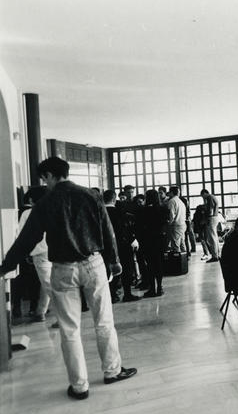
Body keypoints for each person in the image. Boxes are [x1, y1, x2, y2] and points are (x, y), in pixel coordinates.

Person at [0, 157, 137, 400]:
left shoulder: (45, 203)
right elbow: (107, 231)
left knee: (69, 329)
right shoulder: (91, 195)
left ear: (50, 175)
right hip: (93, 263)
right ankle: (112, 371)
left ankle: (79, 386)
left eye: (44, 178)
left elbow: (26, 240)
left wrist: (5, 267)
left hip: (63, 269)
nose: (45, 183)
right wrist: (114, 260)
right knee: (104, 321)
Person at [16, 186, 56, 324]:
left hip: (40, 252)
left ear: (32, 200)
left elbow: (22, 235)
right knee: (47, 283)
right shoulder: (53, 210)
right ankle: (41, 312)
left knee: (47, 284)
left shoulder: (27, 213)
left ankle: (63, 316)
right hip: (55, 250)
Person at [103, 190, 141, 303]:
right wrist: (132, 240)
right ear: (114, 199)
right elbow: (123, 229)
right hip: (122, 245)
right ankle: (127, 294)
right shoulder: (118, 212)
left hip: (105, 246)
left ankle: (112, 294)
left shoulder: (99, 213)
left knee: (109, 270)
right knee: (126, 269)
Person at [137, 189, 168, 298]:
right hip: (160, 239)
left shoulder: (143, 210)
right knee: (159, 264)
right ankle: (159, 287)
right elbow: (165, 223)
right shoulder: (163, 209)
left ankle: (152, 288)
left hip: (148, 240)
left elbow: (140, 227)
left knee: (150, 265)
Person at [200, 189, 221, 262]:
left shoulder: (209, 197)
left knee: (212, 238)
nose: (203, 198)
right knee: (215, 237)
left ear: (205, 193)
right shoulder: (213, 197)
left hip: (211, 218)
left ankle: (215, 256)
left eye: (202, 196)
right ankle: (218, 254)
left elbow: (210, 210)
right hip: (215, 217)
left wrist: (206, 219)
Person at [166, 187, 187, 253]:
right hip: (182, 224)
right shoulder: (180, 201)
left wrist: (169, 224)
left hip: (176, 226)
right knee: (182, 244)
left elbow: (171, 215)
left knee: (175, 245)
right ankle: (184, 258)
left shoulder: (172, 201)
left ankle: (177, 259)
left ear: (171, 192)